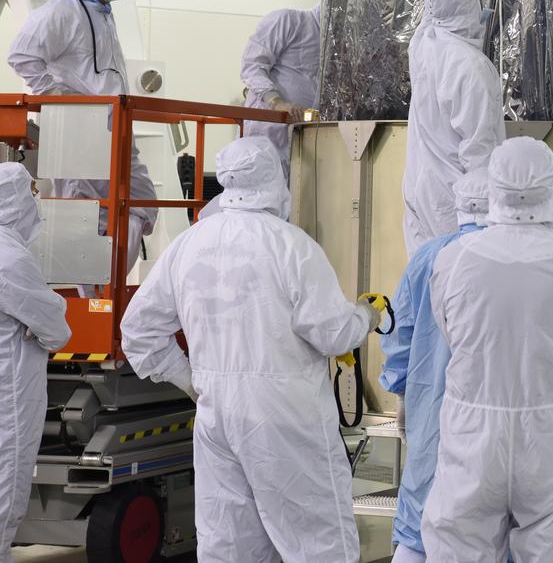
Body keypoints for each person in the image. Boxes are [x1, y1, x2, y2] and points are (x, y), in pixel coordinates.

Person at [120, 137, 382, 563]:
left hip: (218, 417)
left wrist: (191, 381)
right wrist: (364, 317)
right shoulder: (291, 245)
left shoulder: (190, 243)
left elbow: (138, 330)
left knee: (230, 545)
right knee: (319, 543)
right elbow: (333, 334)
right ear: (275, 181)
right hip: (285, 417)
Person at [422, 137, 553, 562]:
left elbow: (453, 335)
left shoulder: (453, 262)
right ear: (551, 185)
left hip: (473, 439)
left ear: (494, 186)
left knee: (458, 550)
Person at [7, 0, 157, 275]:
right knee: (84, 216)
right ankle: (85, 295)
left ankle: (108, 287)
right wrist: (59, 96)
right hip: (80, 129)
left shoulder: (102, 14)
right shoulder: (64, 10)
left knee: (141, 203)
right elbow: (22, 55)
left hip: (114, 124)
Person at [380, 169, 489, 563]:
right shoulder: (520, 256)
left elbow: (399, 329)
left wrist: (400, 391)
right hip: (498, 419)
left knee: (422, 516)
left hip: (432, 408)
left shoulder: (430, 254)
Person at [402, 0, 509, 254]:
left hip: (419, 189)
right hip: (455, 199)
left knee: (424, 281)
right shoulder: (472, 68)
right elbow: (480, 151)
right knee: (460, 288)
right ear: (469, 5)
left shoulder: (424, 42)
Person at [0, 163, 71, 558]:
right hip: (8, 397)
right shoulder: (9, 257)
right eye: (31, 194)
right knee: (5, 494)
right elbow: (56, 329)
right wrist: (48, 311)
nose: (36, 203)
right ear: (14, 201)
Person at [240, 6, 322, 177]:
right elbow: (252, 65)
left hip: (302, 140)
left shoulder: (333, 43)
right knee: (259, 194)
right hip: (266, 135)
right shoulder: (289, 20)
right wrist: (276, 102)